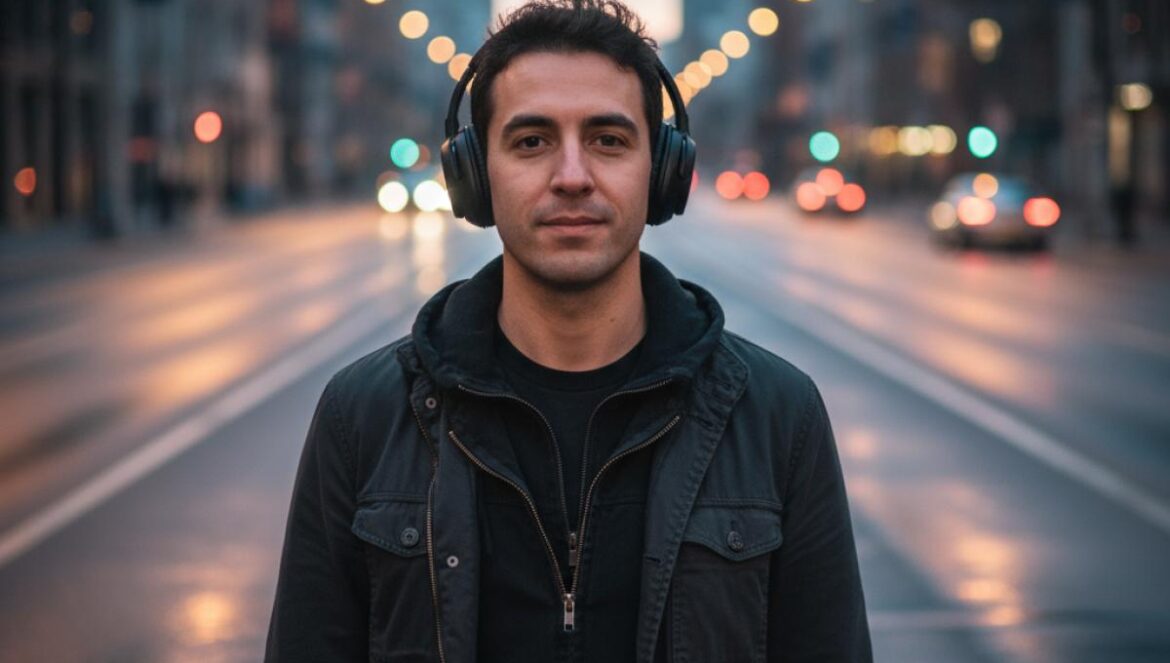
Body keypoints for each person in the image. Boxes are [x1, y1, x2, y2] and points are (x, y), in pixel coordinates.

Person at [265, 1, 871, 661]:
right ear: (475, 176)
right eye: (532, 141)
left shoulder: (778, 416)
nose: (573, 177)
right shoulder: (364, 417)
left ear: (662, 170)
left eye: (609, 140)